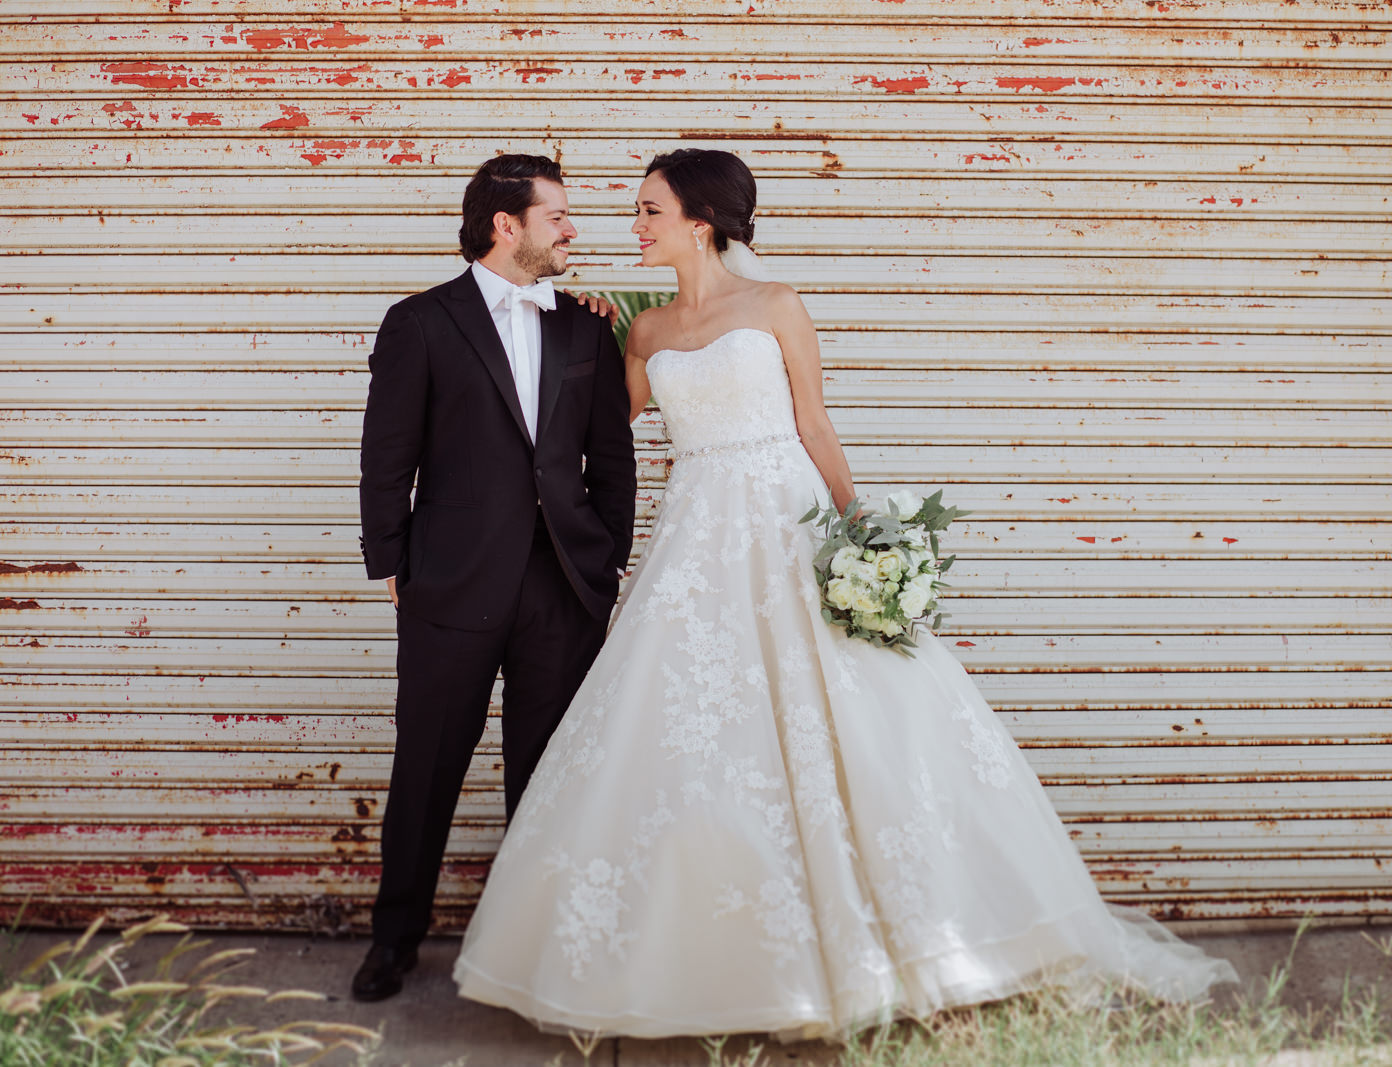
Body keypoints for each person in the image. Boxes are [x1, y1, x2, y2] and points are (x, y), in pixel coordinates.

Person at [453, 148, 1236, 1039]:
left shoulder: (777, 305)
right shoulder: (645, 331)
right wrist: (586, 329)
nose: (633, 226)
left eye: (649, 210)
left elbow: (814, 421)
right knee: (686, 724)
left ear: (699, 222)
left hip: (787, 525)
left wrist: (863, 532)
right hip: (696, 538)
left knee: (858, 713)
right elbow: (603, 425)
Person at [353, 154, 636, 1002]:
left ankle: (534, 945)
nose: (573, 231)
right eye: (558, 217)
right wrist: (394, 564)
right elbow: (385, 457)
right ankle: (394, 939)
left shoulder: (586, 326)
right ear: (505, 226)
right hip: (450, 587)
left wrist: (607, 557)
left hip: (563, 588)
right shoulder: (420, 322)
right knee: (427, 769)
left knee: (545, 775)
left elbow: (611, 459)